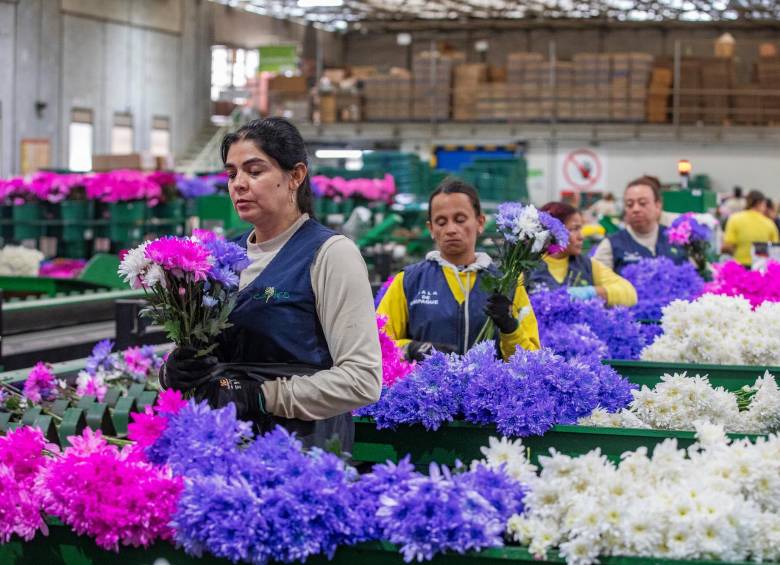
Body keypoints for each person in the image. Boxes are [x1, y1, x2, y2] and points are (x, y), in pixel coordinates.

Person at [162, 118, 381, 449]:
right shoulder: (218, 258)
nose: (238, 184)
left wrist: (264, 396)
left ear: (295, 176)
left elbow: (361, 380)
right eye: (232, 173)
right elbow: (202, 355)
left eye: (254, 171)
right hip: (220, 440)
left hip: (299, 448)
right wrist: (173, 371)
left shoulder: (331, 255)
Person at [377, 178, 541, 362]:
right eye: (441, 222)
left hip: (488, 391)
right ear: (430, 228)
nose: (451, 229)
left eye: (460, 219)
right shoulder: (409, 281)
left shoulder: (508, 282)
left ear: (480, 223)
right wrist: (412, 348)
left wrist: (511, 328)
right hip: (424, 390)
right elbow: (377, 343)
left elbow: (533, 359)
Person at [529, 202, 637, 307]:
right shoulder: (524, 267)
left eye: (581, 229)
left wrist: (591, 292)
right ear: (553, 231)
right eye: (575, 229)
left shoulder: (587, 265)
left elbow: (629, 293)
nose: (581, 237)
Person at [592, 175, 686, 274]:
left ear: (658, 205)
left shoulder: (675, 238)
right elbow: (598, 283)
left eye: (642, 203)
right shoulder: (610, 245)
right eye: (629, 204)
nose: (635, 209)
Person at [722, 190, 780, 266]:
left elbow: (728, 246)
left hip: (739, 267)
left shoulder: (734, 219)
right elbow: (775, 250)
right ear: (760, 203)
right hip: (760, 268)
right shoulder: (770, 224)